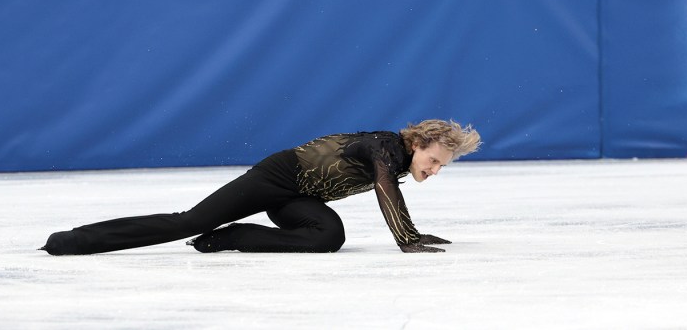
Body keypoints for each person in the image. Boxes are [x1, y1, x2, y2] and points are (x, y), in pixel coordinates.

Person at [41, 119, 481, 255]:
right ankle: (74, 240)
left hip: (300, 198)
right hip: (276, 176)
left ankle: (233, 237)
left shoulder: (400, 159)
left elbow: (390, 186)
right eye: (434, 161)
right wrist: (407, 238)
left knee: (328, 236)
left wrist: (410, 235)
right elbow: (386, 188)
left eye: (441, 167)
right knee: (187, 221)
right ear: (418, 143)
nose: (434, 171)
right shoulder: (383, 147)